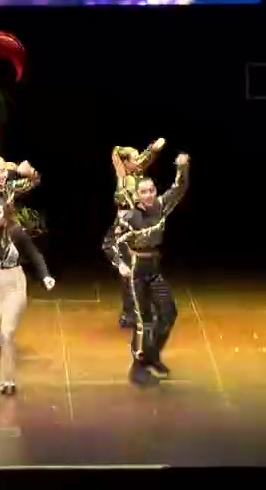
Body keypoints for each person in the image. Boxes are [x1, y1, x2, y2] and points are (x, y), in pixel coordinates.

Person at [105, 153, 189, 387]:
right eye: (144, 192)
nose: (149, 194)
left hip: (154, 268)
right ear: (137, 195)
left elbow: (179, 189)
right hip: (135, 270)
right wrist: (119, 264)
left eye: (151, 190)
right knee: (144, 322)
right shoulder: (128, 217)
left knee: (169, 313)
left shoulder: (161, 207)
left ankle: (152, 356)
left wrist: (182, 166)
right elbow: (109, 243)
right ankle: (137, 368)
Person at [0, 201, 55, 402]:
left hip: (13, 283)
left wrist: (45, 276)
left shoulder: (16, 232)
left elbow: (34, 254)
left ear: (5, 214)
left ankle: (8, 378)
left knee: (6, 333)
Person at [106, 139, 165, 329]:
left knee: (143, 271)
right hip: (125, 225)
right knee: (127, 273)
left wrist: (153, 149)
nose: (139, 160)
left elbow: (145, 160)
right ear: (125, 163)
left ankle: (144, 309)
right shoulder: (123, 178)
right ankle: (130, 313)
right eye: (134, 158)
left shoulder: (136, 173)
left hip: (137, 223)